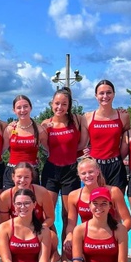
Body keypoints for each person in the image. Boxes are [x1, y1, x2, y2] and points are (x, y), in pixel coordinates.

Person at [62, 158, 131, 262]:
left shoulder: (113, 192)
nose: (87, 176)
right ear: (79, 175)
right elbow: (71, 224)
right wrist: (69, 235)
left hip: (109, 236)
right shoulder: (74, 195)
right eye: (83, 173)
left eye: (91, 172)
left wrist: (116, 235)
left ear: (97, 172)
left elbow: (128, 221)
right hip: (88, 238)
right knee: (69, 247)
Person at [41, 88, 88, 249]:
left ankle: (67, 253)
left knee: (68, 215)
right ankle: (53, 251)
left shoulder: (77, 120)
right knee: (48, 215)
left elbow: (83, 143)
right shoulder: (46, 124)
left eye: (64, 104)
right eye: (57, 103)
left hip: (71, 171)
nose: (59, 107)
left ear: (69, 106)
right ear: (51, 104)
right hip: (51, 171)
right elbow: (45, 147)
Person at [0, 162, 57, 262]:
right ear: (12, 177)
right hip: (17, 231)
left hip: (38, 230)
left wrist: (39, 229)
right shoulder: (5, 197)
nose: (22, 181)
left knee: (50, 235)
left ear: (32, 178)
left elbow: (50, 218)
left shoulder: (41, 192)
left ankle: (53, 254)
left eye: (26, 177)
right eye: (19, 177)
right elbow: (5, 223)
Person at [85, 80, 130, 191]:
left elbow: (127, 140)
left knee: (117, 203)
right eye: (101, 93)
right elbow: (81, 142)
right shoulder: (87, 117)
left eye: (108, 92)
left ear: (114, 94)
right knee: (97, 204)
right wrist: (86, 154)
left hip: (116, 167)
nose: (105, 96)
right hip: (95, 166)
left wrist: (119, 159)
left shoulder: (123, 116)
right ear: (96, 96)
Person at [3, 95, 46, 189]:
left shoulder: (40, 130)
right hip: (12, 173)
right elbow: (1, 151)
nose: (22, 110)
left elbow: (50, 151)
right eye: (18, 107)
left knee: (30, 202)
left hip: (31, 174)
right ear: (14, 110)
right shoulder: (10, 129)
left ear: (31, 108)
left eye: (25, 106)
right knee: (10, 202)